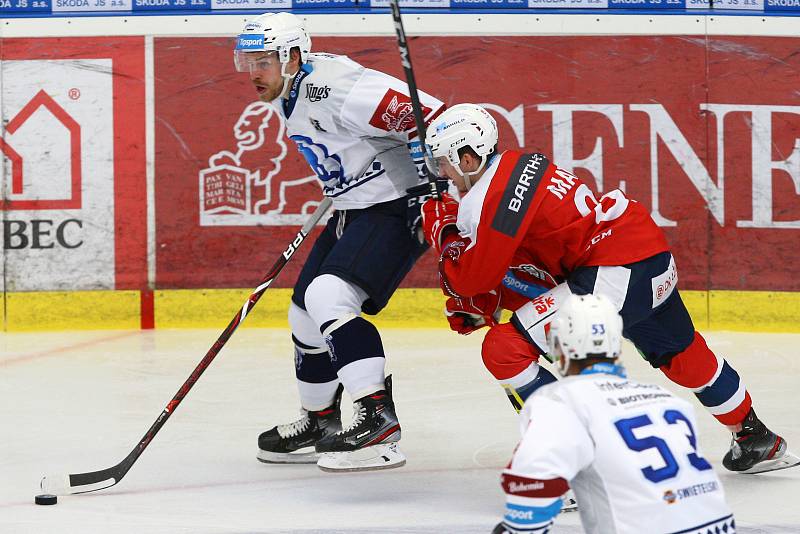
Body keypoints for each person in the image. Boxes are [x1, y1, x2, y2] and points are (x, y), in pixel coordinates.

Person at [420, 103, 798, 474]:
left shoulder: (490, 198)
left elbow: (473, 277)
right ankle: (754, 436)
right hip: (645, 255)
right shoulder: (519, 164)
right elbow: (532, 264)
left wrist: (444, 231)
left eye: (444, 162)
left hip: (612, 271)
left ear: (468, 157)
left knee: (504, 350)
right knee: (681, 352)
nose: (442, 172)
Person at [233, 12, 445, 472]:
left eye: (263, 61)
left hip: (397, 206)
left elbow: (431, 119)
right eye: (247, 61)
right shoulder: (289, 89)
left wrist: (423, 194)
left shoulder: (338, 86)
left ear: (293, 57)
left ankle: (379, 425)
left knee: (330, 296)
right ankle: (321, 421)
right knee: (304, 314)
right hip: (358, 206)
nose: (253, 73)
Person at [492, 293, 735, 534]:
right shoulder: (668, 400)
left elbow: (528, 503)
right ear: (617, 347)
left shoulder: (557, 404)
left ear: (558, 349)